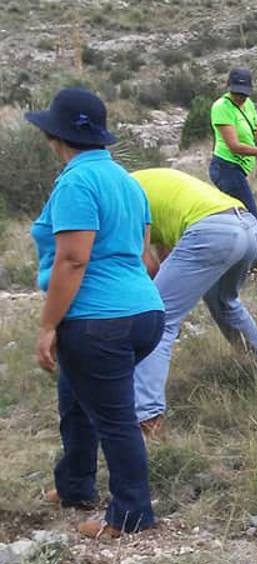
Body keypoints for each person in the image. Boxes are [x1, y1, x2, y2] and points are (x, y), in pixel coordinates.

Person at [27, 89, 165, 538]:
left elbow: (72, 260)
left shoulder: (75, 183)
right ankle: (75, 484)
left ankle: (131, 515)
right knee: (76, 397)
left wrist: (49, 325)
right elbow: (145, 255)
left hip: (99, 320)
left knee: (113, 418)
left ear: (55, 136)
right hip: (144, 311)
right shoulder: (128, 181)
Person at [131, 168, 257, 436]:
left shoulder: (123, 196)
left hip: (213, 233)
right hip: (249, 228)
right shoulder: (148, 182)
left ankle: (146, 417)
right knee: (224, 301)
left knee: (157, 319)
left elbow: (145, 265)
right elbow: (169, 256)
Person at [208, 68, 257, 222]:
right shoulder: (221, 107)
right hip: (226, 169)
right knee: (252, 218)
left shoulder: (249, 105)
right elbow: (235, 147)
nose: (241, 97)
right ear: (229, 87)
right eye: (237, 93)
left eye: (244, 94)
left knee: (238, 219)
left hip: (240, 170)